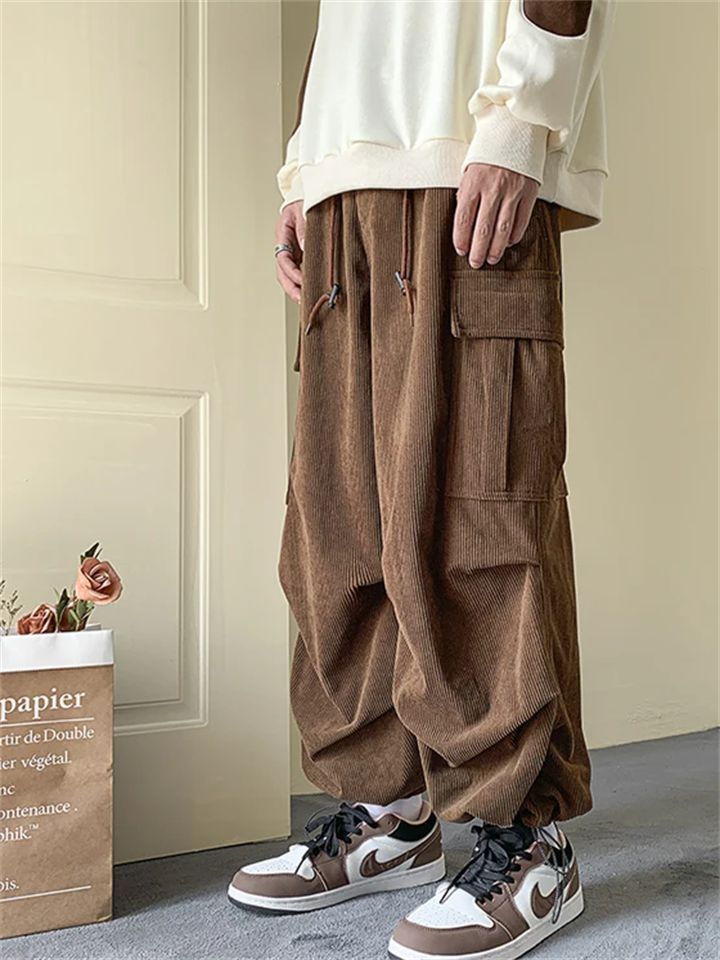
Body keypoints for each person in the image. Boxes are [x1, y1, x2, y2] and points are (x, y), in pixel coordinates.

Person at [229, 2, 616, 957]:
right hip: (343, 183)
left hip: (465, 150)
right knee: (341, 521)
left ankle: (531, 843)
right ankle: (388, 815)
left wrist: (524, 118)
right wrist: (306, 166)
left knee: (482, 510)